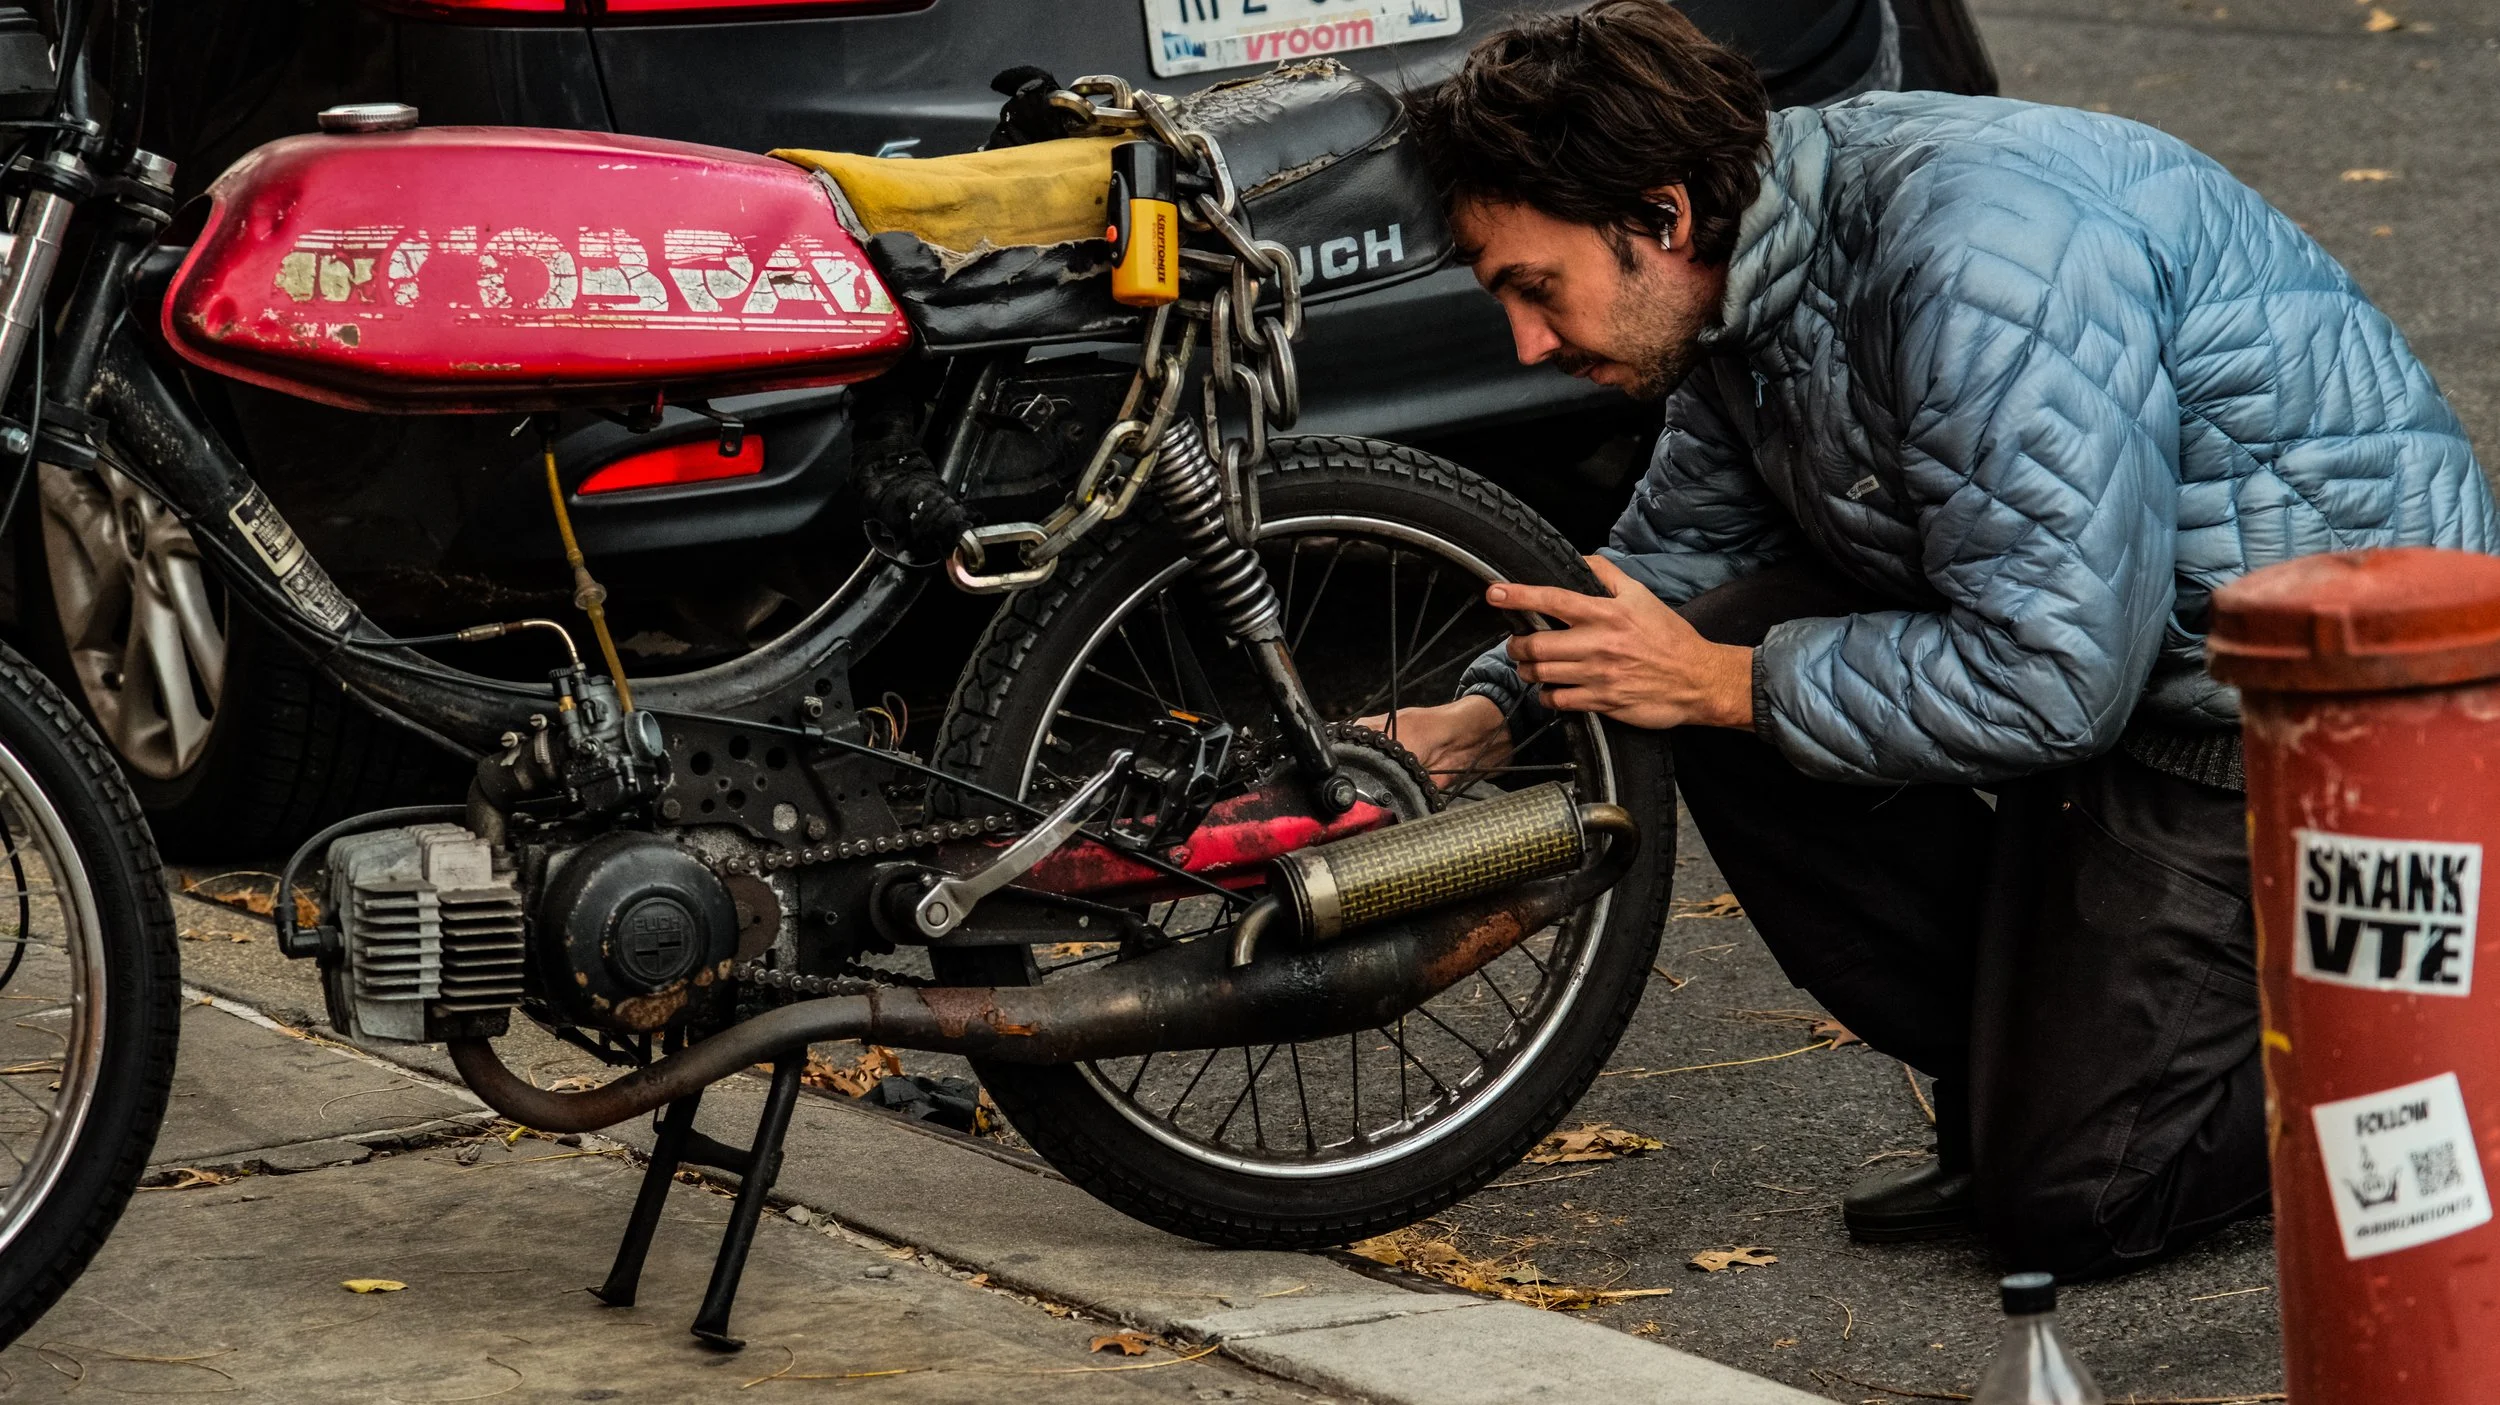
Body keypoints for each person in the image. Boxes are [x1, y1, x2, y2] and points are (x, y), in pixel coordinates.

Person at [1376, 0, 2497, 1279]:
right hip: (2121, 672)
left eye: (1536, 288)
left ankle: (2422, 1041)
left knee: (2081, 1197)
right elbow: (1678, 558)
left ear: (1663, 216)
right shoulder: (1757, 262)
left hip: (2275, 731)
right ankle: (2038, 1071)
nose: (1526, 342)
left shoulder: (1978, 265)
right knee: (1695, 656)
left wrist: (1726, 683)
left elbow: (2054, 679)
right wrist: (1484, 715)